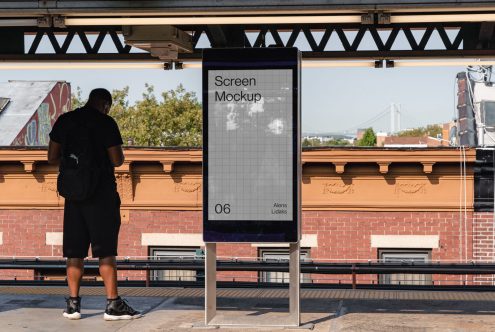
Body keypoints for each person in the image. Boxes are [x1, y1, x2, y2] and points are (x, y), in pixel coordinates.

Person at [47, 88, 141, 321]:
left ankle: (73, 305)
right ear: (106, 104)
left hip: (74, 195)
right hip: (101, 195)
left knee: (74, 252)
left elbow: (51, 156)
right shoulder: (106, 122)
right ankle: (112, 304)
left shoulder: (65, 120)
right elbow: (117, 160)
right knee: (105, 250)